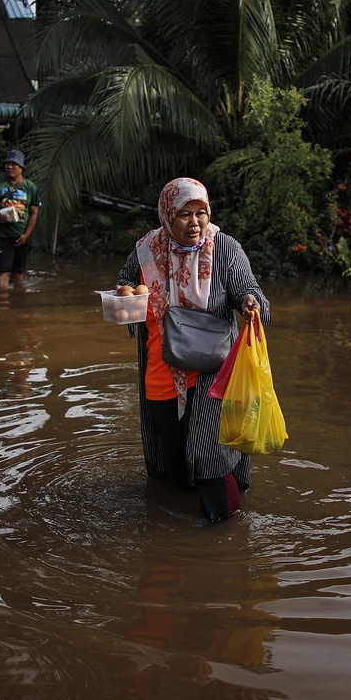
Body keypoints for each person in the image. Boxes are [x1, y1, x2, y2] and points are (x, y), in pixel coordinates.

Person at [116, 177, 269, 523]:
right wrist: (124, 299)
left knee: (206, 452)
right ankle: (176, 525)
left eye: (202, 212)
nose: (195, 222)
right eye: (185, 214)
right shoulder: (145, 250)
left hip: (212, 368)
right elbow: (124, 284)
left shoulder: (225, 249)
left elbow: (251, 290)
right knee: (173, 459)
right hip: (161, 368)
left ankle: (223, 526)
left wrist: (250, 303)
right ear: (167, 215)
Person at [0, 150, 41, 290]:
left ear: (22, 168)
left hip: (21, 236)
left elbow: (34, 213)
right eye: (7, 163)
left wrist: (26, 235)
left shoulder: (30, 187)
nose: (10, 167)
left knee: (18, 272)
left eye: (14, 164)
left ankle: (17, 303)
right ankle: (1, 305)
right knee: (1, 271)